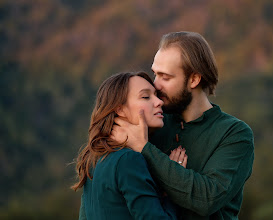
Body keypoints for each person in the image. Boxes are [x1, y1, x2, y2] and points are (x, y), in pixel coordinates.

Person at [111, 32, 254, 219]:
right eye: (155, 74)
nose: (155, 85)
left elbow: (207, 199)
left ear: (194, 80)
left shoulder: (234, 134)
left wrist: (144, 149)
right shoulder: (152, 122)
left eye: (165, 77)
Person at [71, 72, 180, 220]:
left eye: (156, 95)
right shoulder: (128, 159)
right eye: (146, 97)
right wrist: (171, 188)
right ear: (120, 109)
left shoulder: (94, 159)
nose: (159, 102)